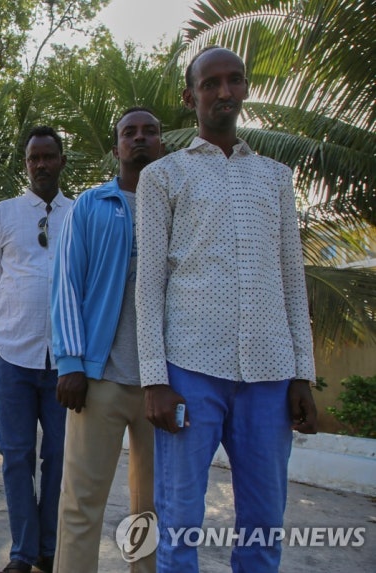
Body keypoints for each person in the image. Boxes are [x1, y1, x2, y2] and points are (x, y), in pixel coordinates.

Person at [135, 47, 318, 573]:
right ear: (189, 96)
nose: (223, 92)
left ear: (244, 89)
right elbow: (149, 286)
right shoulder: (164, 176)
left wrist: (302, 375)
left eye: (234, 80)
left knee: (264, 522)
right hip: (190, 372)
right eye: (210, 83)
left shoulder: (275, 177)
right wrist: (155, 381)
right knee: (179, 522)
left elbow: (292, 280)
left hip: (270, 375)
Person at [51, 108, 162, 573]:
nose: (139, 138)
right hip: (100, 379)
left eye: (149, 131)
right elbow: (66, 284)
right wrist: (70, 362)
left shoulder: (179, 204)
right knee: (82, 503)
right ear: (116, 147)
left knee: (153, 508)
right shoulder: (91, 205)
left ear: (162, 144)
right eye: (129, 132)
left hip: (164, 383)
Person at [0, 126, 72, 573]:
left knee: (58, 457)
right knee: (16, 456)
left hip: (65, 362)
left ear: (61, 161)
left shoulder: (79, 213)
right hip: (11, 355)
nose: (41, 164)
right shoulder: (3, 214)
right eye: (33, 158)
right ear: (26, 164)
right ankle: (22, 551)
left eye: (48, 156)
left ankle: (50, 549)